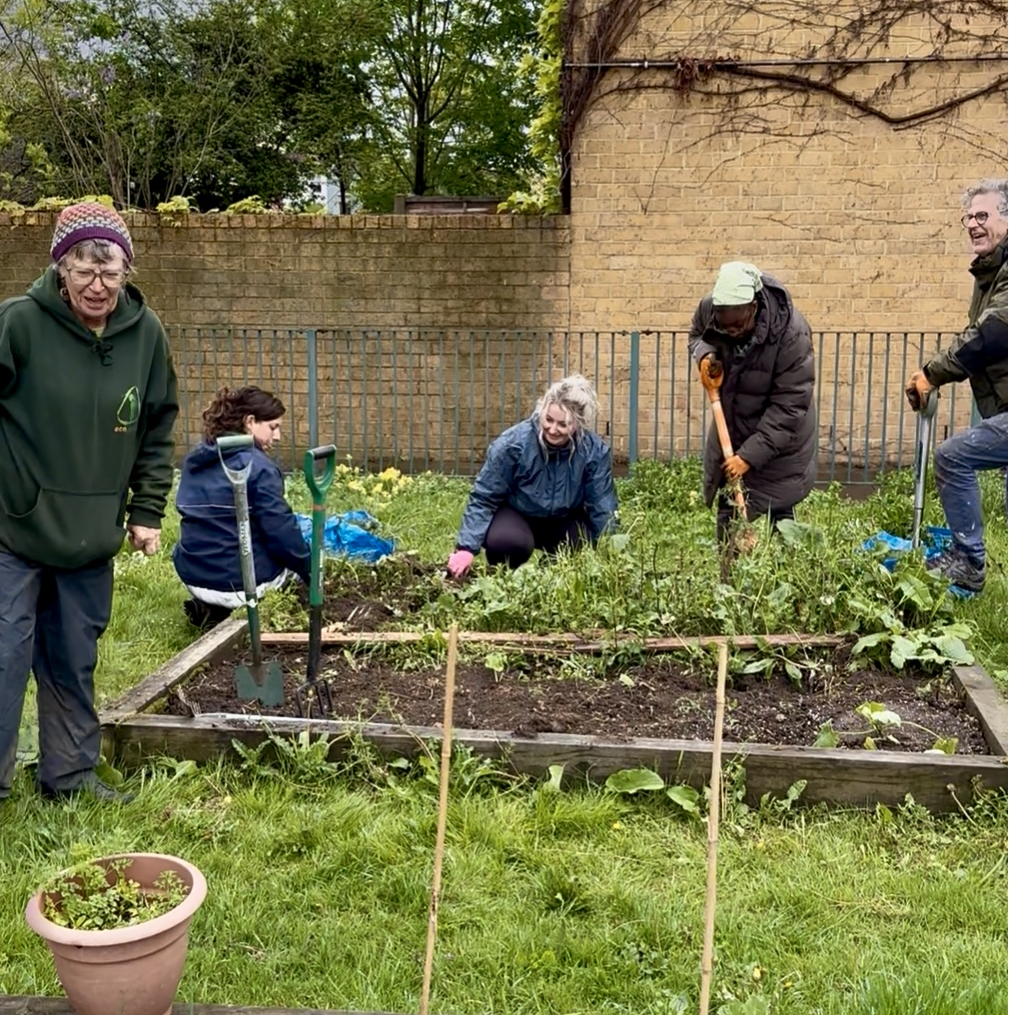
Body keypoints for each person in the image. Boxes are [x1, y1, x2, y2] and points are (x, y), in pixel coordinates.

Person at [0, 201, 179, 803]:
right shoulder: (18, 323)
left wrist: (147, 510)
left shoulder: (145, 333)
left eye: (110, 273)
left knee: (73, 659)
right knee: (3, 659)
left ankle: (69, 776)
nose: (97, 286)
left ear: (127, 273)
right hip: (13, 531)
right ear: (61, 268)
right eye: (84, 271)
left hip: (91, 534)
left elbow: (156, 426)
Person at [905, 179, 1007, 593]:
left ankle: (969, 561)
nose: (973, 224)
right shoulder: (990, 273)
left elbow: (993, 333)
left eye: (983, 215)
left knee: (952, 457)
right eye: (968, 217)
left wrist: (932, 373)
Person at [689, 261, 817, 545]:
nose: (732, 331)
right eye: (726, 325)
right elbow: (698, 334)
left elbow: (789, 408)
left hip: (782, 440)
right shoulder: (711, 309)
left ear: (755, 306)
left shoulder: (792, 335)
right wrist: (706, 356)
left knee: (781, 511)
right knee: (729, 508)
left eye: (739, 324)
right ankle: (727, 582)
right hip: (734, 425)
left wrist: (748, 457)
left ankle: (784, 577)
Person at [446, 375, 618, 577]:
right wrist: (466, 548)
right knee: (507, 543)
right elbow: (484, 498)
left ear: (578, 425)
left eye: (562, 424)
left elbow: (603, 506)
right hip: (517, 514)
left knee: (581, 542)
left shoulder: (593, 452)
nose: (552, 429)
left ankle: (552, 577)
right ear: (542, 411)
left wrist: (613, 556)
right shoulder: (512, 445)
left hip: (564, 518)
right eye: (548, 419)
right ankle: (504, 578)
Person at [173, 385, 311, 627]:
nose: (277, 436)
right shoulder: (259, 467)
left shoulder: (196, 458)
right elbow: (282, 534)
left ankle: (211, 610)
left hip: (193, 575)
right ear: (249, 421)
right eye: (273, 427)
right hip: (241, 585)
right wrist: (310, 570)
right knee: (295, 565)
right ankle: (256, 614)